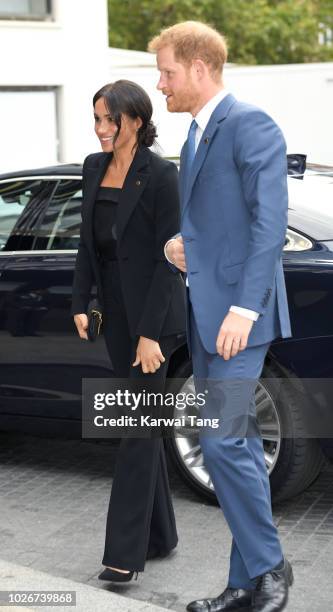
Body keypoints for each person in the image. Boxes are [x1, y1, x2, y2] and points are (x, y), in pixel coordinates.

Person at [149, 21, 293, 612]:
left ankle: (272, 567)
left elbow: (268, 227)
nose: (160, 85)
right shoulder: (193, 139)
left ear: (200, 69)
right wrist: (176, 248)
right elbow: (209, 227)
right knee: (228, 445)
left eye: (167, 73)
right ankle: (245, 584)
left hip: (239, 317)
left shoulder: (250, 125)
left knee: (223, 442)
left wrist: (241, 308)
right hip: (205, 314)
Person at [71, 80, 186, 582]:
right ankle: (159, 536)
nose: (100, 130)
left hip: (152, 320)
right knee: (144, 423)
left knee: (136, 429)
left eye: (109, 120)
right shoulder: (94, 167)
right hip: (114, 317)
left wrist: (150, 333)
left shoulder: (162, 176)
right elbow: (86, 243)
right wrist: (82, 301)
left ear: (135, 121)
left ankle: (122, 557)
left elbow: (170, 262)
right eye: (96, 119)